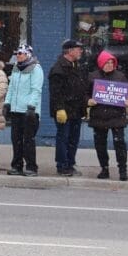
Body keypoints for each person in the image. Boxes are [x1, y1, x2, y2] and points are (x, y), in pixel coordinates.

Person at [87, 50, 128, 181]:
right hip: (99, 116)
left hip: (117, 116)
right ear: (101, 63)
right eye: (107, 62)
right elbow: (84, 93)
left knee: (120, 144)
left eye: (112, 62)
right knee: (100, 144)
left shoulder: (120, 76)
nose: (110, 65)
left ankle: (122, 170)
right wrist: (88, 101)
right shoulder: (92, 77)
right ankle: (104, 168)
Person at [49, 38, 89, 176]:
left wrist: (85, 105)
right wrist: (59, 108)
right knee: (63, 138)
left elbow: (82, 88)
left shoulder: (77, 66)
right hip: (64, 110)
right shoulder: (58, 69)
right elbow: (55, 93)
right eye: (78, 49)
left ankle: (70, 164)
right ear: (70, 51)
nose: (81, 52)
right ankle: (62, 165)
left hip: (76, 110)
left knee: (73, 139)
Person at [4, 44, 44, 176]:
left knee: (28, 140)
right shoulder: (16, 68)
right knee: (16, 139)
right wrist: (7, 103)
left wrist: (31, 106)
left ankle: (31, 166)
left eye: (21, 53)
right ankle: (17, 165)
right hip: (16, 110)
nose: (18, 56)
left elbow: (36, 90)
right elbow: (11, 88)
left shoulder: (36, 69)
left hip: (29, 111)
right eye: (17, 53)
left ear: (28, 54)